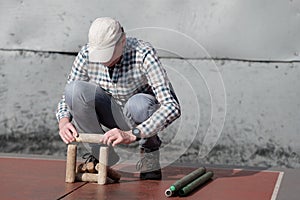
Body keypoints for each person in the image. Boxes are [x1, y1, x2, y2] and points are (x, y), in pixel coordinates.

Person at [56, 17, 181, 180]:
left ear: (122, 40)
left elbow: (171, 106)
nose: (104, 61)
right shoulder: (86, 53)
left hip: (139, 120)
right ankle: (100, 152)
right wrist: (64, 122)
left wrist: (132, 134)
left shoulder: (143, 54)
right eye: (100, 55)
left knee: (138, 104)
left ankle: (149, 153)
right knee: (74, 90)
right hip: (111, 110)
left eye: (108, 54)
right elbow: (68, 97)